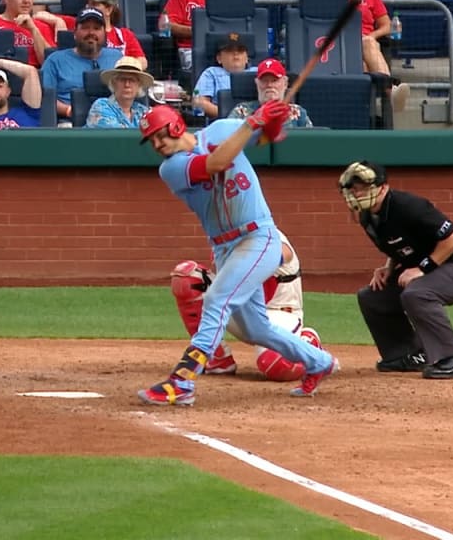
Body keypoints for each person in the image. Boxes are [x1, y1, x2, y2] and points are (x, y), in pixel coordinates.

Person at [136, 102, 339, 405]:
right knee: (258, 329)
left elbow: (269, 138)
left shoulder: (220, 129)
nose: (156, 143)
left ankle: (183, 381)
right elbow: (216, 163)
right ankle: (319, 362)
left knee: (217, 299)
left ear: (176, 125)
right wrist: (251, 122)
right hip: (225, 247)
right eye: (151, 140)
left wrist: (272, 121)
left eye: (158, 135)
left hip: (258, 237)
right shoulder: (171, 169)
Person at [338, 160, 453, 379]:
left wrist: (422, 269)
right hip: (436, 264)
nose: (358, 194)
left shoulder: (407, 205)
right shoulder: (367, 216)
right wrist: (389, 266)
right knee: (372, 296)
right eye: (354, 189)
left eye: (364, 188)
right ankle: (409, 354)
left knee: (418, 293)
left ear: (383, 187)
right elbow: (398, 243)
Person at [170, 230, 324, 381]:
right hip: (241, 311)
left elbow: (286, 253)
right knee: (187, 277)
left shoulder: (266, 232)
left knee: (276, 365)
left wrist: (251, 261)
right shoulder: (222, 236)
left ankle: (308, 343)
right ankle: (217, 358)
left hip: (278, 315)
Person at [316, 0, 410, 111]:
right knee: (364, 59)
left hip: (365, 43)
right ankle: (391, 91)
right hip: (334, 45)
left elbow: (387, 26)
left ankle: (364, 114)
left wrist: (370, 36)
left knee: (364, 60)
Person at [42, 7, 122, 121]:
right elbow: (45, 97)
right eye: (85, 28)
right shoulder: (55, 60)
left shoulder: (117, 57)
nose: (91, 33)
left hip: (113, 120)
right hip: (69, 121)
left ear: (105, 33)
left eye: (97, 28)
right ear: (75, 33)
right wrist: (68, 110)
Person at [162, 0, 236, 71]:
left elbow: (240, 24)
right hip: (191, 50)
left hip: (225, 49)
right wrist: (196, 32)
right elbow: (164, 25)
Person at [228, 58, 312, 128]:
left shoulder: (298, 112)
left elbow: (311, 143)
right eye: (264, 81)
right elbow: (226, 139)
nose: (269, 85)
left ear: (285, 83)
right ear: (257, 83)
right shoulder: (242, 111)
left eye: (274, 80)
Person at [193, 32, 256, 120]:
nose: (236, 54)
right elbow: (198, 103)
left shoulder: (258, 72)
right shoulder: (211, 73)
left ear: (247, 58)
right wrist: (231, 115)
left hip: (255, 123)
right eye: (230, 50)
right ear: (219, 58)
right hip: (222, 123)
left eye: (240, 50)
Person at [83, 0, 147, 70]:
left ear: (109, 10)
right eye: (88, 4)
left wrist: (124, 68)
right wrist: (58, 20)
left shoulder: (125, 35)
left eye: (94, 4)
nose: (88, 8)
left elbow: (142, 61)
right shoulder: (79, 29)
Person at [86, 56, 152, 128]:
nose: (127, 84)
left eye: (132, 80)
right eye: (122, 79)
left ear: (139, 85)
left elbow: (150, 132)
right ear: (114, 83)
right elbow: (118, 136)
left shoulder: (142, 111)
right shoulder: (101, 106)